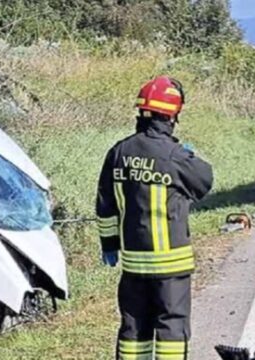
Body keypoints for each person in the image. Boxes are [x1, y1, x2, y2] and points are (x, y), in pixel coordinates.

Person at [96, 76, 213, 360]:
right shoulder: (175, 155)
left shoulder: (119, 152)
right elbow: (204, 180)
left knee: (134, 328)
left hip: (133, 264)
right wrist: (187, 153)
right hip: (171, 264)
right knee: (171, 327)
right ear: (173, 115)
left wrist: (110, 245)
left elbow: (104, 204)